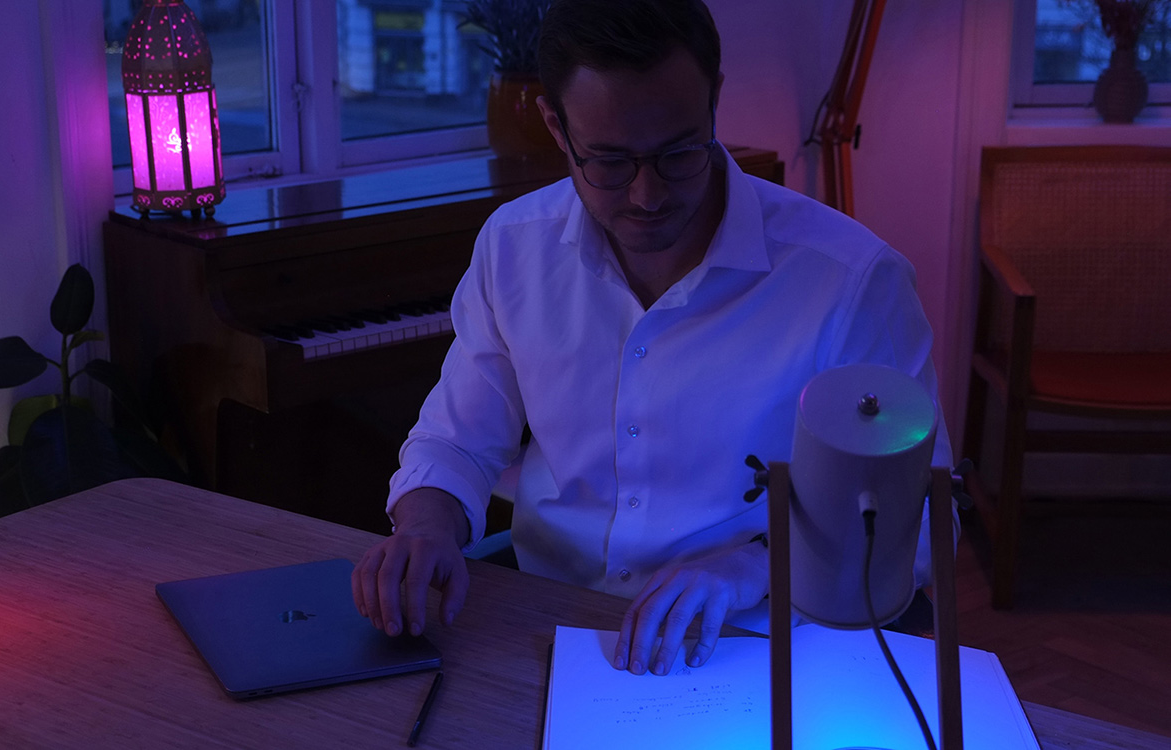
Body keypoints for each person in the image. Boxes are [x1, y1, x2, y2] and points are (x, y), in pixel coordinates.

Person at [350, 0, 951, 677]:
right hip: (555, 628)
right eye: (608, 161)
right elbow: (456, 439)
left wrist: (753, 565)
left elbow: (922, 523)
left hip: (757, 644)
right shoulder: (514, 248)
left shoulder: (851, 282)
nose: (646, 196)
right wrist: (427, 526)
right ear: (556, 125)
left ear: (713, 103)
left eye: (676, 154)